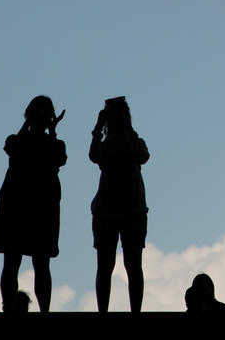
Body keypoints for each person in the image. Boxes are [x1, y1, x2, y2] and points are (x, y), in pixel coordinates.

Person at [0, 96, 66, 312]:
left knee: (35, 263)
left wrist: (43, 128)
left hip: (33, 208)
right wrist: (45, 128)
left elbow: (59, 156)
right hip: (23, 207)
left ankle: (38, 309)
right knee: (19, 262)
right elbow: (12, 147)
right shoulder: (22, 141)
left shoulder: (50, 143)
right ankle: (15, 307)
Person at [90, 96, 150, 313]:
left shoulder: (135, 142)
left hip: (130, 211)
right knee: (106, 267)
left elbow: (142, 156)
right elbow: (93, 155)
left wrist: (126, 130)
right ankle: (104, 311)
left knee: (132, 266)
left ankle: (135, 311)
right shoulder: (106, 146)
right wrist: (98, 127)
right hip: (111, 212)